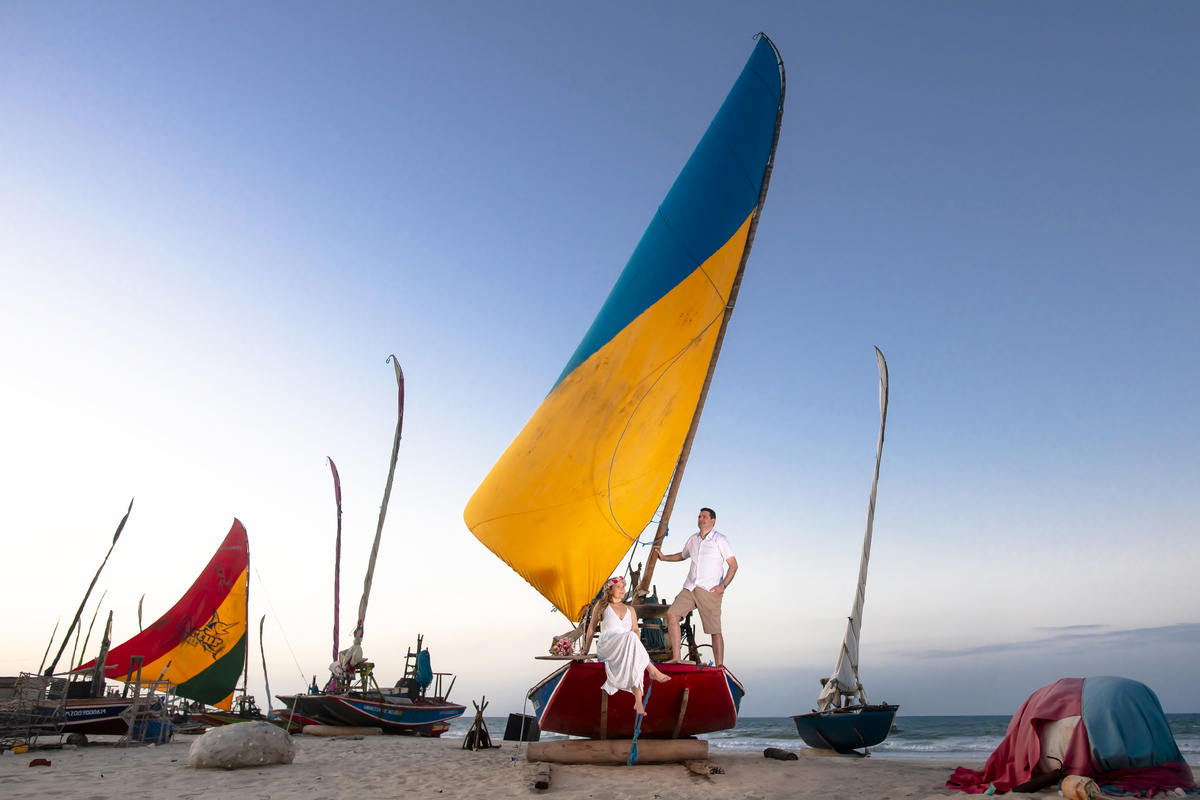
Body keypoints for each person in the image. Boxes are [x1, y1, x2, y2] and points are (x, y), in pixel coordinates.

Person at [655, 507, 737, 666]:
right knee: (672, 615)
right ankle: (676, 658)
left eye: (704, 517)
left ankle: (719, 666)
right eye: (699, 516)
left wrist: (723, 586)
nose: (701, 519)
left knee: (714, 630)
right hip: (690, 587)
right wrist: (664, 558)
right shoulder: (693, 539)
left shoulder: (720, 539)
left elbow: (733, 566)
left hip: (709, 590)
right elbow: (682, 555)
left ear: (713, 521)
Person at [582, 576, 671, 715]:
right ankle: (652, 670)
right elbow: (591, 628)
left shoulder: (630, 610)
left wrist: (635, 647)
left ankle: (638, 703)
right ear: (609, 590)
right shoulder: (601, 606)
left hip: (627, 644)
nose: (623, 589)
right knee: (630, 637)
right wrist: (586, 649)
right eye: (619, 587)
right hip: (608, 645)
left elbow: (635, 630)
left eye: (623, 587)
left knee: (633, 655)